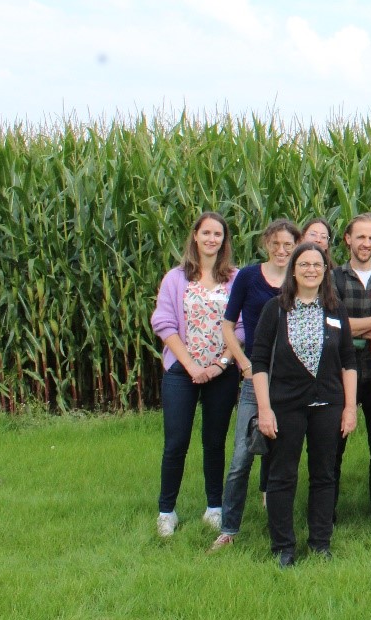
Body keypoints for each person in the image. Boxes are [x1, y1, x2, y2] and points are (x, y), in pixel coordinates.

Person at [249, 242, 357, 566]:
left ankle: (320, 543)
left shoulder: (335, 309)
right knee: (282, 476)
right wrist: (265, 409)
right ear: (293, 269)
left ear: (326, 271)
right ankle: (283, 547)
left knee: (324, 475)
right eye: (305, 264)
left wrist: (350, 408)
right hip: (286, 405)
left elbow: (349, 361)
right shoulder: (275, 309)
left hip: (329, 404)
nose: (311, 269)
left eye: (318, 264)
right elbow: (258, 362)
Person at [150, 211, 241, 538]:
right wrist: (191, 366)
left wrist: (220, 364)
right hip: (181, 372)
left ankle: (214, 507)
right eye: (206, 233)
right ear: (195, 236)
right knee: (176, 442)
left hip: (222, 371)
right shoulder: (175, 278)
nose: (211, 239)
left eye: (218, 234)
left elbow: (241, 326)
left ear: (224, 240)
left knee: (214, 441)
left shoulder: (234, 278)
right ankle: (166, 511)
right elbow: (163, 323)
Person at [210, 218, 300, 551]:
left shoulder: (300, 278)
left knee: (280, 459)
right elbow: (228, 325)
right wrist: (243, 363)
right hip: (254, 379)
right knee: (241, 459)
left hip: (290, 383)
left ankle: (279, 525)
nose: (281, 250)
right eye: (275, 244)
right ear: (266, 244)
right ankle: (228, 529)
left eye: (288, 245)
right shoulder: (248, 277)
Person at [330, 213, 371, 527]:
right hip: (340, 374)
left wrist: (357, 328)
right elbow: (334, 327)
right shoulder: (333, 279)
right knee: (333, 447)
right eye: (360, 237)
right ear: (348, 239)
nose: (366, 243)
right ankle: (326, 513)